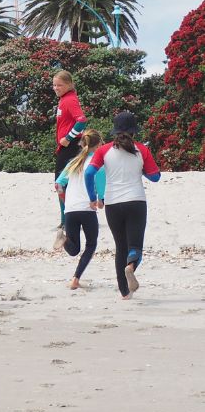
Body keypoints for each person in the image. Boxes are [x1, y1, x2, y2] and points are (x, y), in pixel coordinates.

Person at [85, 111, 161, 299]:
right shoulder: (142, 150)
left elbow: (88, 173)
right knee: (135, 246)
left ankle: (125, 293)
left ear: (115, 131)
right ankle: (131, 266)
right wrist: (141, 170)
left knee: (121, 247)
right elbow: (156, 177)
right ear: (134, 131)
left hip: (112, 204)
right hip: (136, 201)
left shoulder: (104, 150)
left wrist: (93, 197)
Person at [54, 130, 106, 289]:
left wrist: (64, 201)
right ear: (98, 145)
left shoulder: (73, 162)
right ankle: (76, 278)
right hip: (86, 208)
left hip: (70, 209)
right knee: (91, 244)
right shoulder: (98, 164)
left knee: (74, 249)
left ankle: (63, 240)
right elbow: (101, 186)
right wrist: (100, 200)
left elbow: (58, 184)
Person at [52, 70, 88, 234]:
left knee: (61, 183)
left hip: (70, 147)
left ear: (69, 85)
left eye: (59, 85)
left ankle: (67, 220)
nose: (56, 88)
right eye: (54, 85)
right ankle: (64, 219)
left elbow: (81, 121)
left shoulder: (70, 100)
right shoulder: (63, 100)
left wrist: (68, 137)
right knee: (65, 183)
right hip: (66, 148)